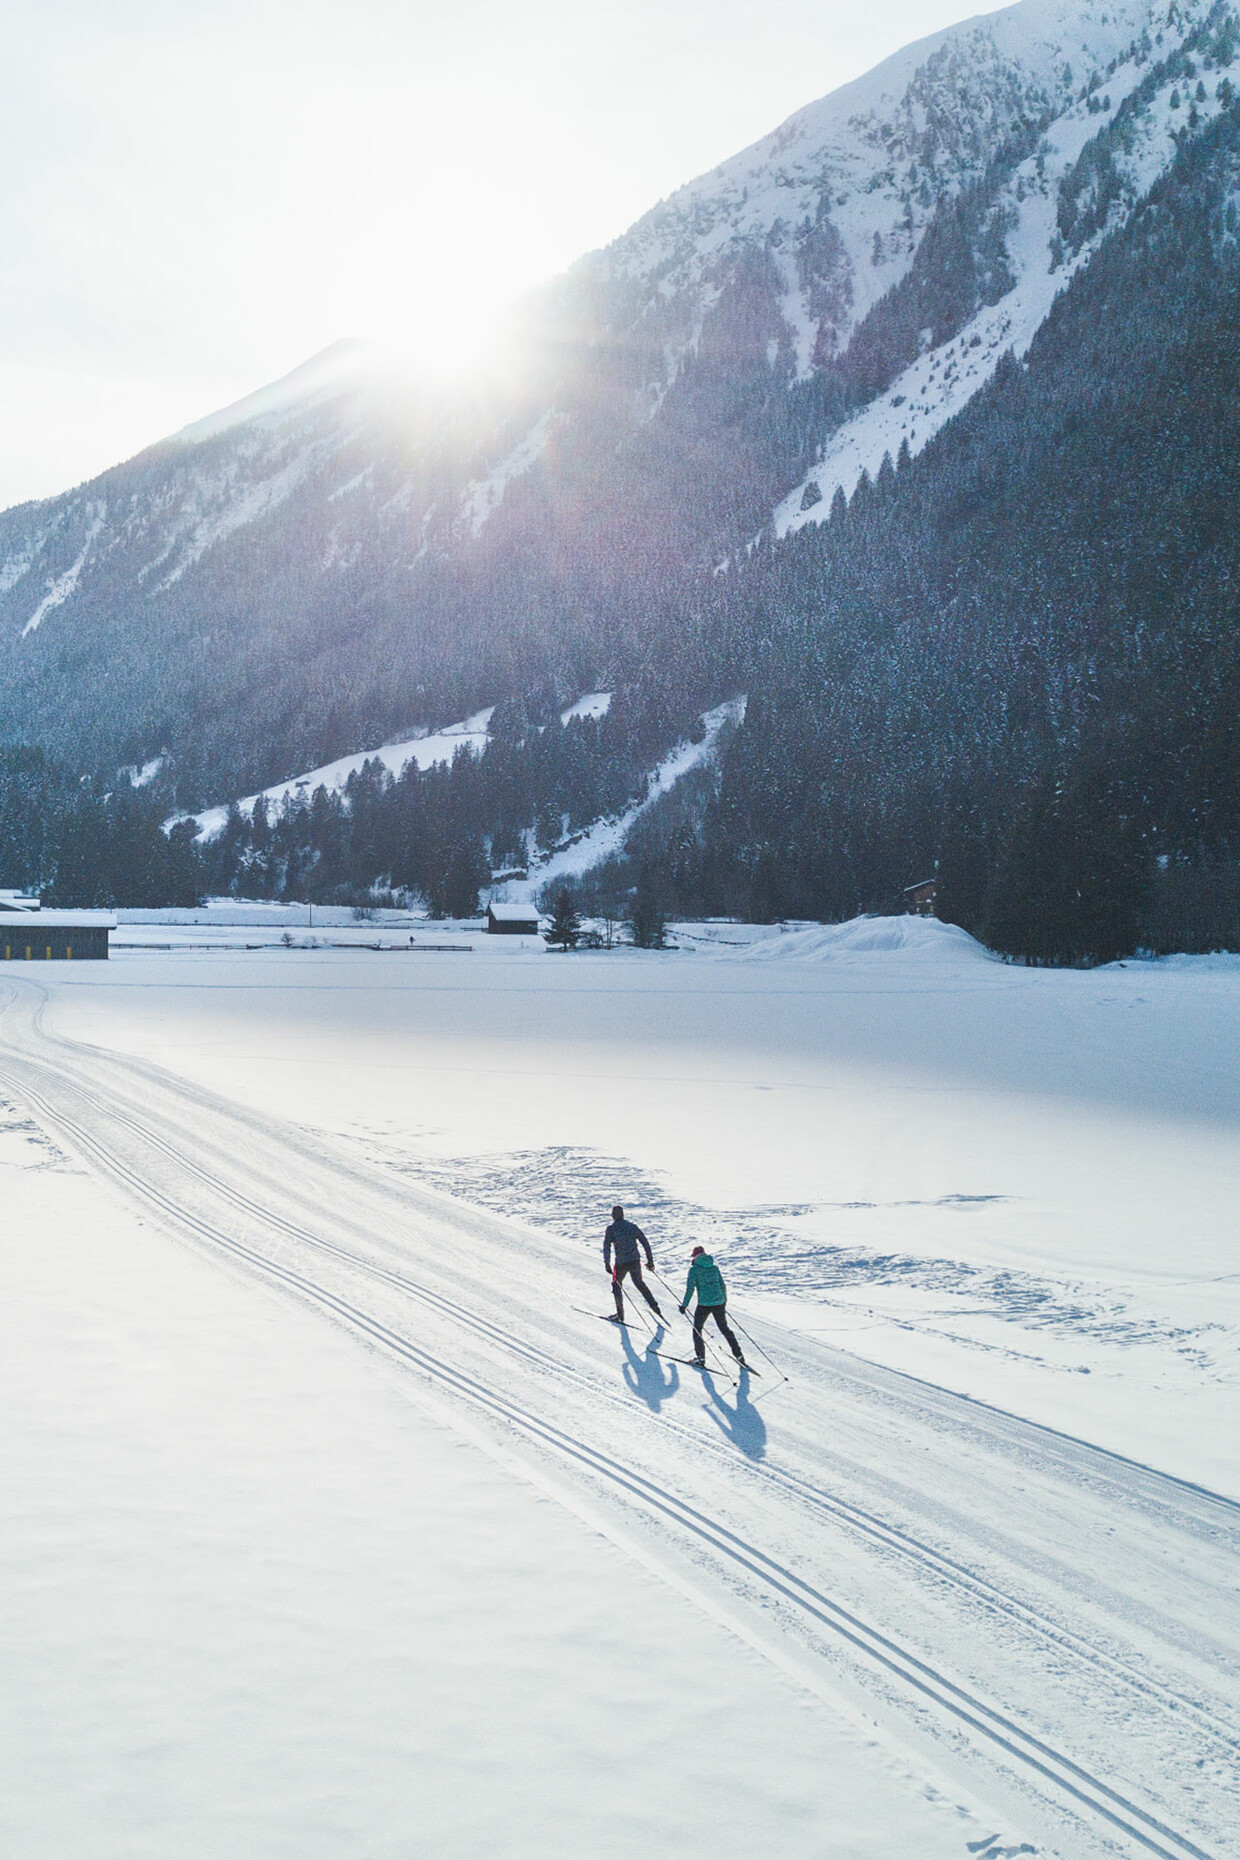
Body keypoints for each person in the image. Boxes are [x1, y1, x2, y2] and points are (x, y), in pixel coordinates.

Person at [680, 1245, 745, 1367]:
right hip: (719, 1302)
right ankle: (739, 1355)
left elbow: (690, 1289)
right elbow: (722, 1285)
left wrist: (684, 1306)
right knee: (724, 1329)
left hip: (704, 1304)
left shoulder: (694, 1270)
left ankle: (701, 1358)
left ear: (695, 1256)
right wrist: (724, 1301)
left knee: (697, 1329)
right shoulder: (714, 1268)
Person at [604, 1204, 663, 1322]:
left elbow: (607, 1247)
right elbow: (645, 1242)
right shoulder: (632, 1227)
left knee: (617, 1285)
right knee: (639, 1283)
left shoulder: (611, 1229)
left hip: (621, 1263)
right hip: (634, 1261)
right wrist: (650, 1260)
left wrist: (607, 1263)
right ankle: (654, 1306)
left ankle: (620, 1316)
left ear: (613, 1216)